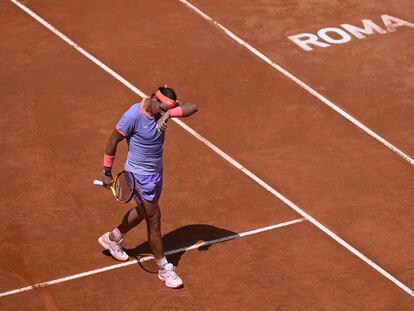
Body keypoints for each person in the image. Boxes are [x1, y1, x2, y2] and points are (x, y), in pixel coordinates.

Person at [98, 86, 198, 288]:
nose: (163, 112)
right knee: (154, 218)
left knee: (144, 211)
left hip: (156, 173)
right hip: (139, 175)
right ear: (153, 99)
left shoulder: (163, 111)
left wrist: (169, 113)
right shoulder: (133, 115)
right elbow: (113, 140)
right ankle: (164, 268)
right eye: (162, 108)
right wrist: (106, 172)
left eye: (166, 109)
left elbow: (192, 107)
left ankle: (112, 238)